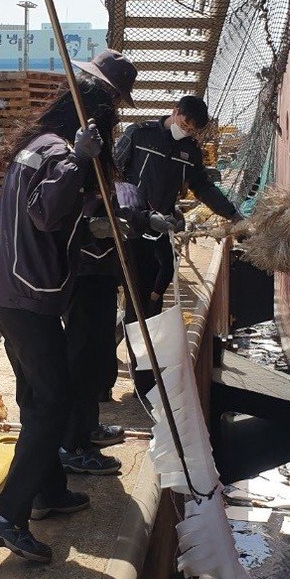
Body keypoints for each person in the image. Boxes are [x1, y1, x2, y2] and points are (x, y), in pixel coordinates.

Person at [0, 49, 136, 564]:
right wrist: (80, 161)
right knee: (52, 406)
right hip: (31, 297)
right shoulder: (58, 152)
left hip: (13, 292)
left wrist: (100, 221)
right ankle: (9, 514)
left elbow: (54, 216)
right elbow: (47, 213)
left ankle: (47, 493)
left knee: (38, 397)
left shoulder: (37, 144)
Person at [61, 181, 171, 475]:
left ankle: (89, 426)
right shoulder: (76, 174)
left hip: (103, 277)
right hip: (83, 277)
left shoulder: (119, 187)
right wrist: (94, 227)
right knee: (81, 360)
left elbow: (126, 218)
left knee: (99, 355)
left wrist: (148, 222)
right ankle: (73, 446)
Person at [113, 94, 240, 321]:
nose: (186, 131)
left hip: (162, 225)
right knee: (136, 290)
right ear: (175, 111)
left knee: (158, 285)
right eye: (184, 124)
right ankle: (134, 346)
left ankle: (150, 337)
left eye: (192, 130)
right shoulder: (140, 134)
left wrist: (232, 214)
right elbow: (111, 172)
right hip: (133, 224)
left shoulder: (190, 152)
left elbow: (202, 187)